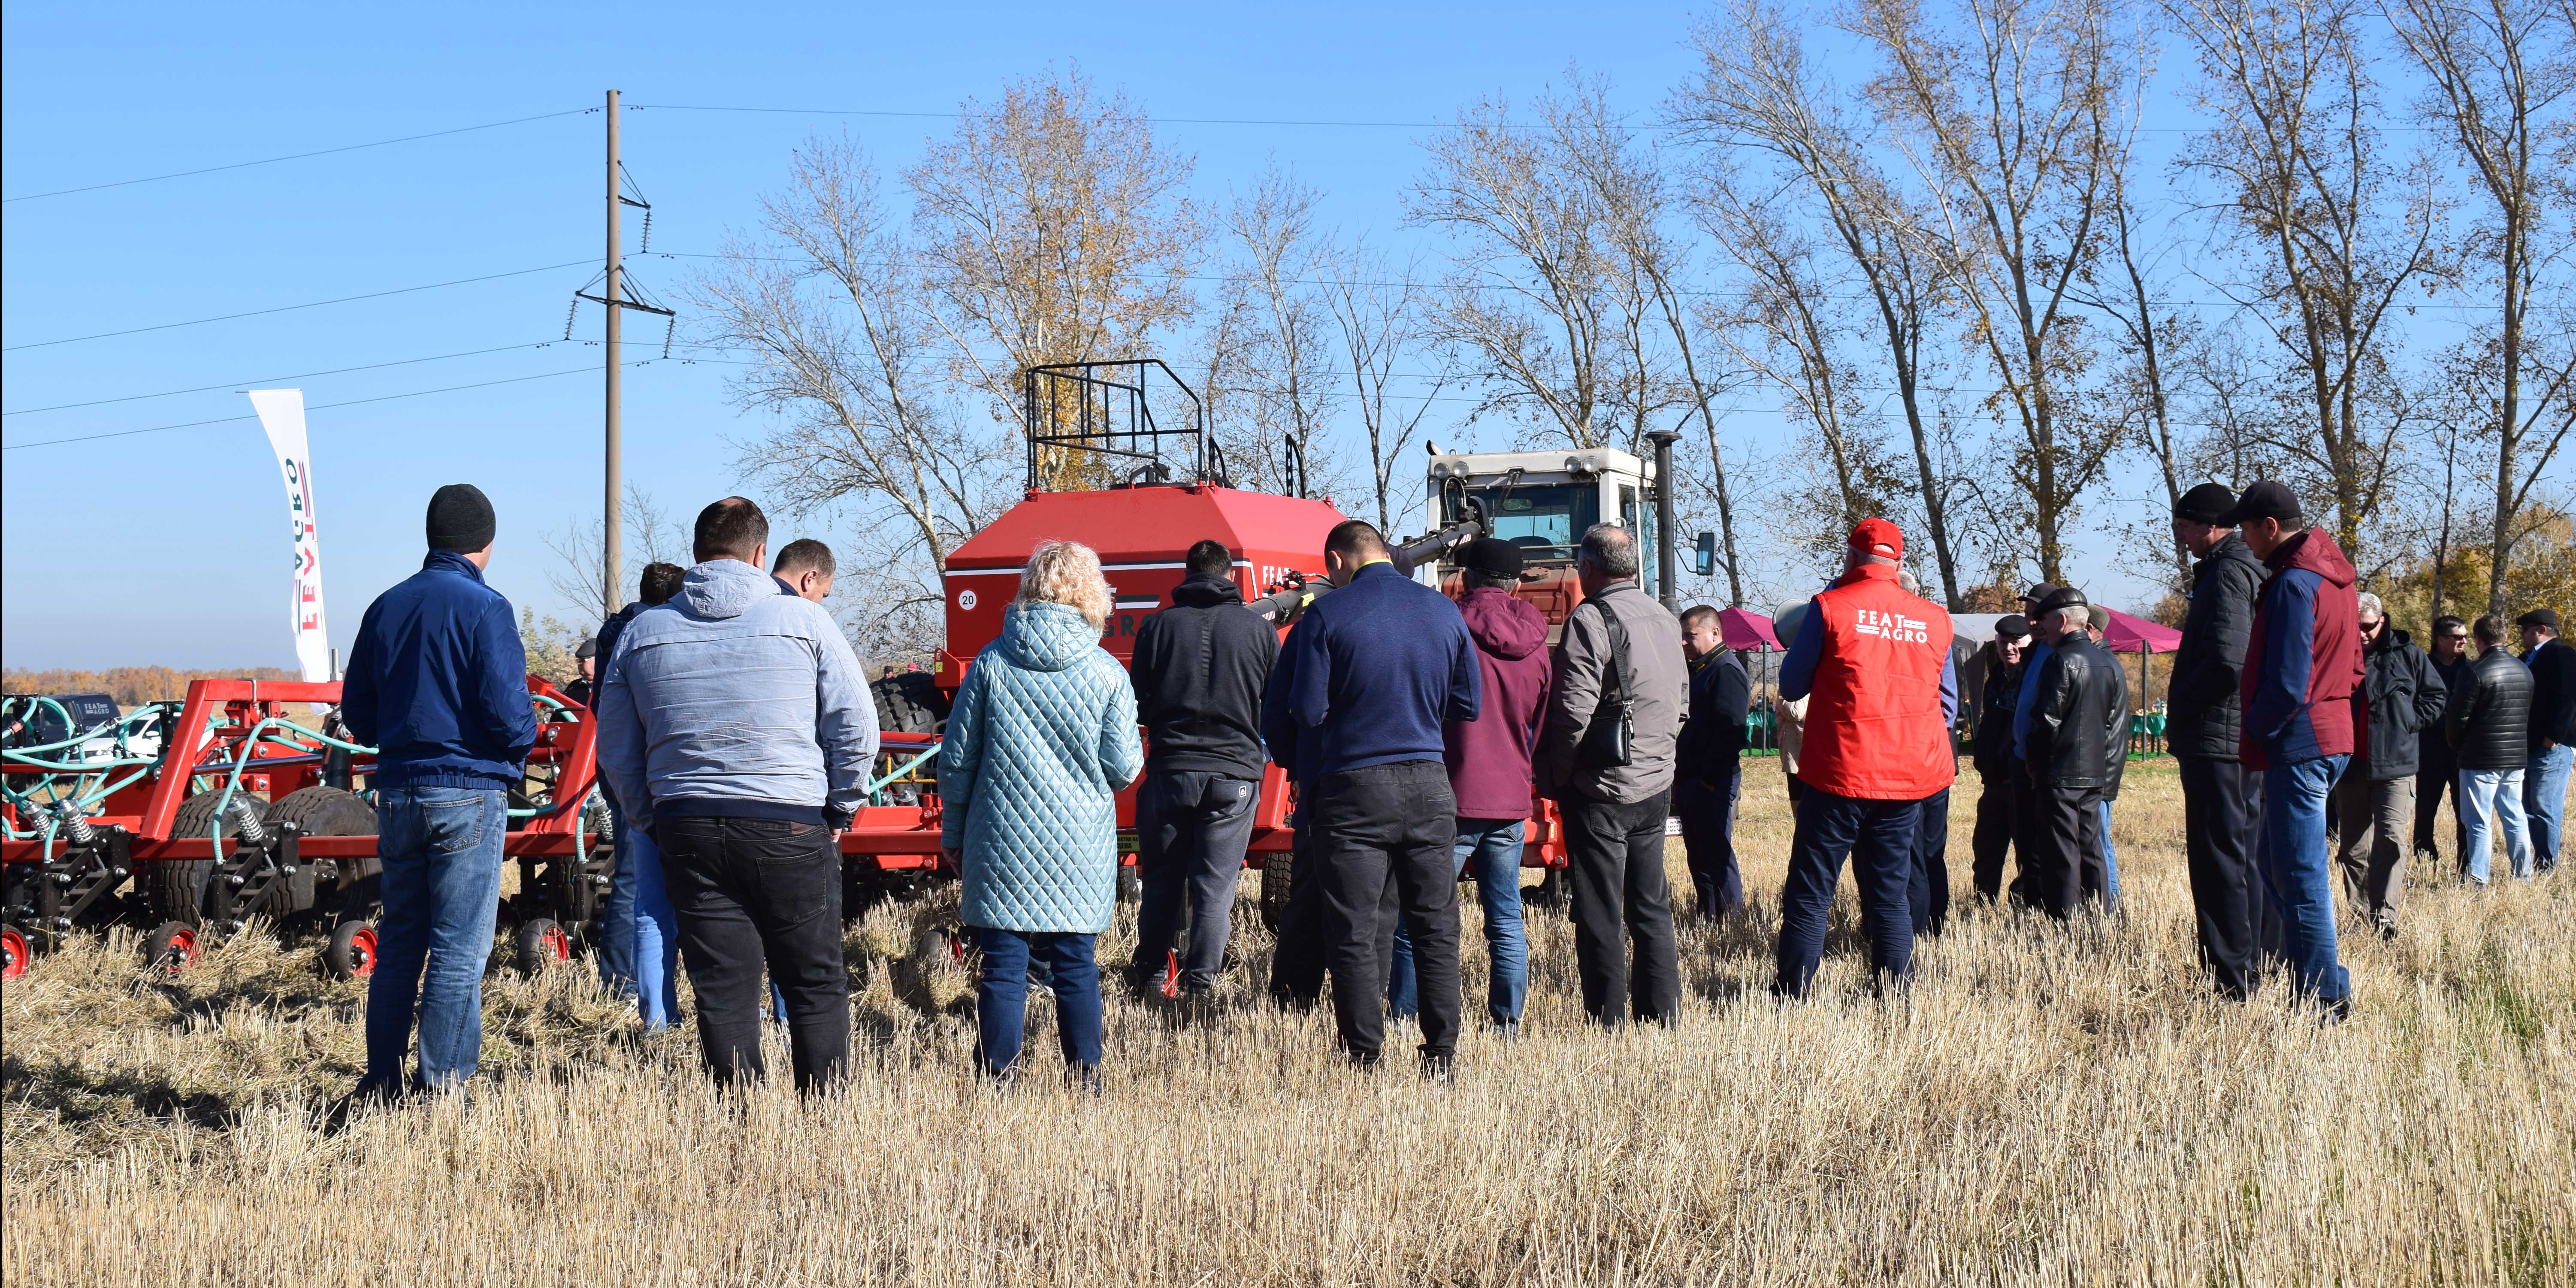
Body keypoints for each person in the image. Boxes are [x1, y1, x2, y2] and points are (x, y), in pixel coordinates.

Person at [596, 497, 876, 1091]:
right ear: (758, 554)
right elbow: (857, 726)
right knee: (814, 981)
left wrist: (650, 817)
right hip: (791, 821)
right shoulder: (806, 621)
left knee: (722, 989)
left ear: (697, 553)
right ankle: (824, 1121)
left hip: (686, 823)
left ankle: (742, 1122)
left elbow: (616, 748)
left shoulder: (643, 633)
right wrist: (841, 806)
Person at [335, 484, 538, 1110]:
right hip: (468, 794)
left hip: (397, 793)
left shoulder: (385, 606)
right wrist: (521, 742)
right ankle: (443, 1090)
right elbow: (511, 714)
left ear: (432, 538)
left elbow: (356, 714)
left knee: (400, 942)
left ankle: (381, 1080)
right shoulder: (486, 608)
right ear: (487, 542)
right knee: (459, 947)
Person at [1273, 520, 1478, 1070]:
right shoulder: (1443, 611)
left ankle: (1364, 1054)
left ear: (1338, 561)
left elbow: (1310, 711)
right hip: (1430, 783)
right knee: (1436, 925)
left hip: (1354, 786)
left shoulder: (1326, 615)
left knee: (1354, 928)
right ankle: (1441, 1052)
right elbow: (1468, 704)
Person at [937, 541, 1143, 1088]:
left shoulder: (989, 661)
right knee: (1076, 965)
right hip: (1078, 842)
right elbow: (1123, 768)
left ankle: (996, 1081)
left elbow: (956, 760)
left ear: (1028, 587)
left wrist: (952, 833)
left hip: (999, 837)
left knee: (1002, 967)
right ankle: (1086, 1080)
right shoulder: (1106, 672)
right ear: (1092, 592)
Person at [1772, 519, 1956, 998]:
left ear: (1851, 559)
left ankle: (1793, 994)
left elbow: (1791, 685)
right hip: (1907, 776)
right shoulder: (1935, 618)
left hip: (1841, 772)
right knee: (1890, 893)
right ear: (1898, 563)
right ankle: (1895, 991)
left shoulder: (1830, 607)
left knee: (1811, 892)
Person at [1391, 537, 1551, 1033]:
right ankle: (1507, 1022)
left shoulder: (1444, 626)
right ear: (1518, 582)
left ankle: (1404, 1016)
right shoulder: (1538, 644)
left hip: (1449, 793)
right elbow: (1540, 725)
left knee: (1418, 915)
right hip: (1508, 797)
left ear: (1465, 577)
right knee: (1505, 916)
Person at [1535, 525, 1687, 1027]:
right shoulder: (1666, 618)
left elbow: (1572, 711)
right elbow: (1681, 704)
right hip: (1654, 783)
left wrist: (1558, 778)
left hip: (1601, 787)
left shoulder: (1591, 618)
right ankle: (1661, 1014)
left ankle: (1608, 1017)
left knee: (1600, 911)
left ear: (1589, 568)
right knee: (1650, 906)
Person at [2228, 480, 2362, 1017]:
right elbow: (2354, 666)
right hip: (2333, 734)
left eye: (2245, 527)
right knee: (2276, 862)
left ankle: (2323, 999)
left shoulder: (2291, 584)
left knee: (2299, 876)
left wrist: (2255, 730)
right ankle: (2325, 979)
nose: (2242, 537)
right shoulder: (2338, 579)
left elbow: (2286, 682)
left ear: (2270, 527)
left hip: (2301, 740)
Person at [1126, 538, 1276, 1004]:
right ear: (1230, 576)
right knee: (1216, 885)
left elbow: (1141, 702)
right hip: (1234, 774)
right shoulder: (1258, 631)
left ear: (1187, 574)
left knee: (1161, 880)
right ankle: (1201, 982)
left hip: (1171, 767)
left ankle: (1152, 971)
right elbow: (1273, 704)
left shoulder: (1157, 627)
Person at [2168, 483, 2268, 998]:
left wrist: (2180, 702)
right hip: (2235, 736)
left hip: (2217, 738)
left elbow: (2228, 661)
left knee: (2219, 861)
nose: (2180, 538)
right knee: (2241, 854)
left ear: (2209, 524)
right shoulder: (2241, 566)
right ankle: (2249, 963)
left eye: (2183, 527)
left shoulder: (2228, 572)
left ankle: (2232, 976)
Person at [591, 561, 686, 1029]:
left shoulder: (615, 630)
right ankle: (620, 978)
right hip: (644, 771)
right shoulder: (644, 633)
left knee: (634, 879)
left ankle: (628, 977)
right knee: (636, 880)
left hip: (620, 768)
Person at [2333, 594, 2447, 937]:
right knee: (2353, 849)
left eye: (2367, 626)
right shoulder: (2337, 653)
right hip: (2350, 768)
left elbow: (2436, 697)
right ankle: (2357, 914)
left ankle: (2385, 917)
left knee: (2392, 842)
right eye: (2355, 627)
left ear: (2382, 621)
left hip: (2396, 768)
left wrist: (2409, 723)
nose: (2362, 633)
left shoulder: (2408, 655)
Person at [2023, 592, 2126, 916]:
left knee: (2062, 853)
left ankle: (2066, 919)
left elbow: (2045, 722)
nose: (2043, 630)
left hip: (2060, 775)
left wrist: (2035, 766)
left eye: (2046, 622)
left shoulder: (2062, 661)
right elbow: (2113, 724)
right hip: (2094, 774)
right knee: (2091, 846)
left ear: (2063, 621)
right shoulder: (2109, 663)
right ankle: (2100, 915)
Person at [1675, 602, 1751, 919]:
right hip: (1692, 777)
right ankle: (1708, 912)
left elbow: (1730, 732)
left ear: (1714, 633)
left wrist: (1708, 778)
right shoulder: (1701, 668)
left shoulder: (1726, 671)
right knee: (1699, 852)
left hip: (1712, 779)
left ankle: (1731, 918)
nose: (1684, 643)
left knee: (1717, 852)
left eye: (1690, 636)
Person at [2448, 613, 2534, 884]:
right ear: (2505, 638)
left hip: (2480, 757)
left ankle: (2478, 880)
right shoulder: (2524, 670)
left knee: (2478, 822)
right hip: (2515, 756)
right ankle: (2523, 876)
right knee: (2516, 816)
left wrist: (2457, 745)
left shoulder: (2473, 671)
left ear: (2477, 639)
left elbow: (2458, 717)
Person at [1968, 615, 2032, 902]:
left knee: (2027, 850)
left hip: (2021, 780)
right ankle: (1983, 901)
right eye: (2003, 642)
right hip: (1993, 780)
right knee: (1986, 848)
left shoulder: (2032, 677)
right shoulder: (1995, 676)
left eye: (2015, 642)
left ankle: (2023, 906)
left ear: (2028, 643)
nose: (2009, 648)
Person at [2415, 615, 2473, 873]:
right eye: (2457, 637)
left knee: (2466, 816)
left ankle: (2467, 865)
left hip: (2463, 752)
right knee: (2425, 812)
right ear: (2441, 640)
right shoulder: (2422, 668)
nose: (2463, 641)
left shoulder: (2472, 669)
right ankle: (2426, 862)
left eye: (2466, 637)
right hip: (2429, 750)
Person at [2520, 608, 2574, 872]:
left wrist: (2553, 737)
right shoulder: (2529, 658)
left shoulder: (2563, 654)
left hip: (2553, 747)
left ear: (2540, 630)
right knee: (2529, 805)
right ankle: (2540, 859)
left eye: (2525, 631)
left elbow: (2568, 698)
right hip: (2530, 745)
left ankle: (2547, 866)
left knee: (2544, 804)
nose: (2522, 636)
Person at [774, 538, 835, 603]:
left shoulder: (763, 593)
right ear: (810, 579)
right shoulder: (802, 611)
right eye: (824, 595)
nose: (819, 603)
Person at [565, 639, 597, 707]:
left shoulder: (609, 685)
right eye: (578, 660)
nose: (579, 664)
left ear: (597, 660)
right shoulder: (574, 686)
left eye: (583, 660)